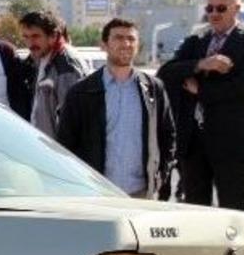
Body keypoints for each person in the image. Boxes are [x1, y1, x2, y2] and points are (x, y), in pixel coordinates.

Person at [156, 0, 244, 210]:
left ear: (236, 9)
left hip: (231, 142)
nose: (213, 14)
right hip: (194, 143)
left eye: (221, 8)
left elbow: (242, 87)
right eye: (209, 8)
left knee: (233, 212)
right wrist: (202, 63)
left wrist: (200, 91)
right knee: (196, 211)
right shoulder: (197, 41)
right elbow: (166, 73)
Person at [56, 18, 175, 198]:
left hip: (141, 192)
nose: (126, 44)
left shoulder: (152, 89)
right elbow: (66, 143)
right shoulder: (82, 92)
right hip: (96, 192)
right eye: (118, 38)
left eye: (131, 39)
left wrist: (159, 176)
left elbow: (168, 135)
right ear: (104, 44)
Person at [20, 10, 85, 138]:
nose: (30, 43)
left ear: (53, 36)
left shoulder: (66, 66)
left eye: (35, 36)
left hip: (57, 151)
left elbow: (72, 121)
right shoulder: (41, 58)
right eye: (26, 37)